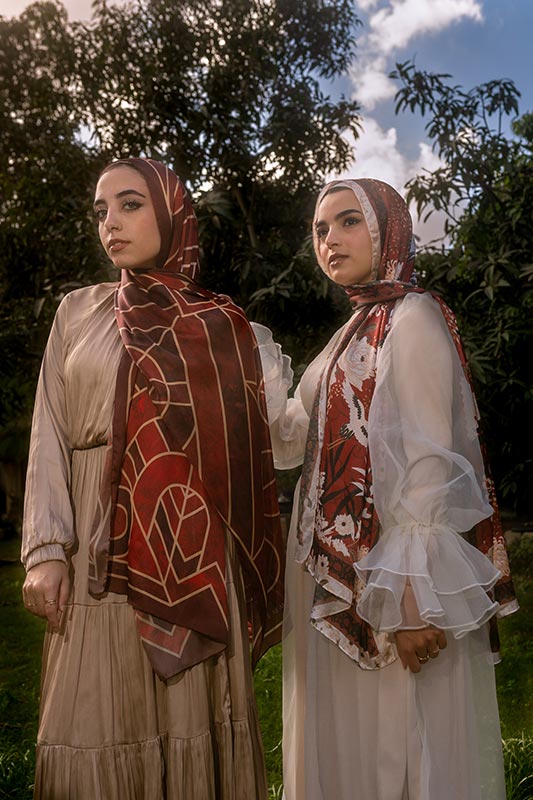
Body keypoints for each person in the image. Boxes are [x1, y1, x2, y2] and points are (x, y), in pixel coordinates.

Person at [21, 157, 284, 799]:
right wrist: (45, 549)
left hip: (191, 550)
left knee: (189, 719)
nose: (110, 222)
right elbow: (48, 431)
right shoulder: (77, 312)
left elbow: (245, 455)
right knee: (90, 715)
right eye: (101, 211)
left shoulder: (220, 324)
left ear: (171, 214)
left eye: (130, 204)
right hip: (95, 538)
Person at [254, 178, 518, 800]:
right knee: (341, 740)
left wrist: (411, 602)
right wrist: (250, 370)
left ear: (388, 229)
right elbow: (294, 442)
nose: (330, 239)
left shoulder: (414, 318)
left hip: (388, 581)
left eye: (349, 222)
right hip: (332, 571)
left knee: (392, 739)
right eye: (320, 229)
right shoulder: (353, 329)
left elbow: (430, 461)